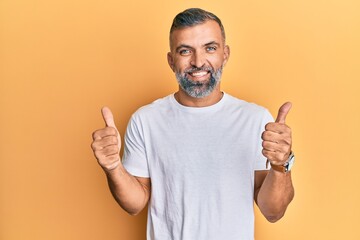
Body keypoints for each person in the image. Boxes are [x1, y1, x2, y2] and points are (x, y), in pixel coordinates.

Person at [91, 8, 295, 240]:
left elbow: (273, 211)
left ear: (225, 55)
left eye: (210, 48)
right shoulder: (145, 120)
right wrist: (113, 168)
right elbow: (135, 204)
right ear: (171, 60)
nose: (198, 62)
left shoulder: (255, 120)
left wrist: (281, 165)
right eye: (185, 51)